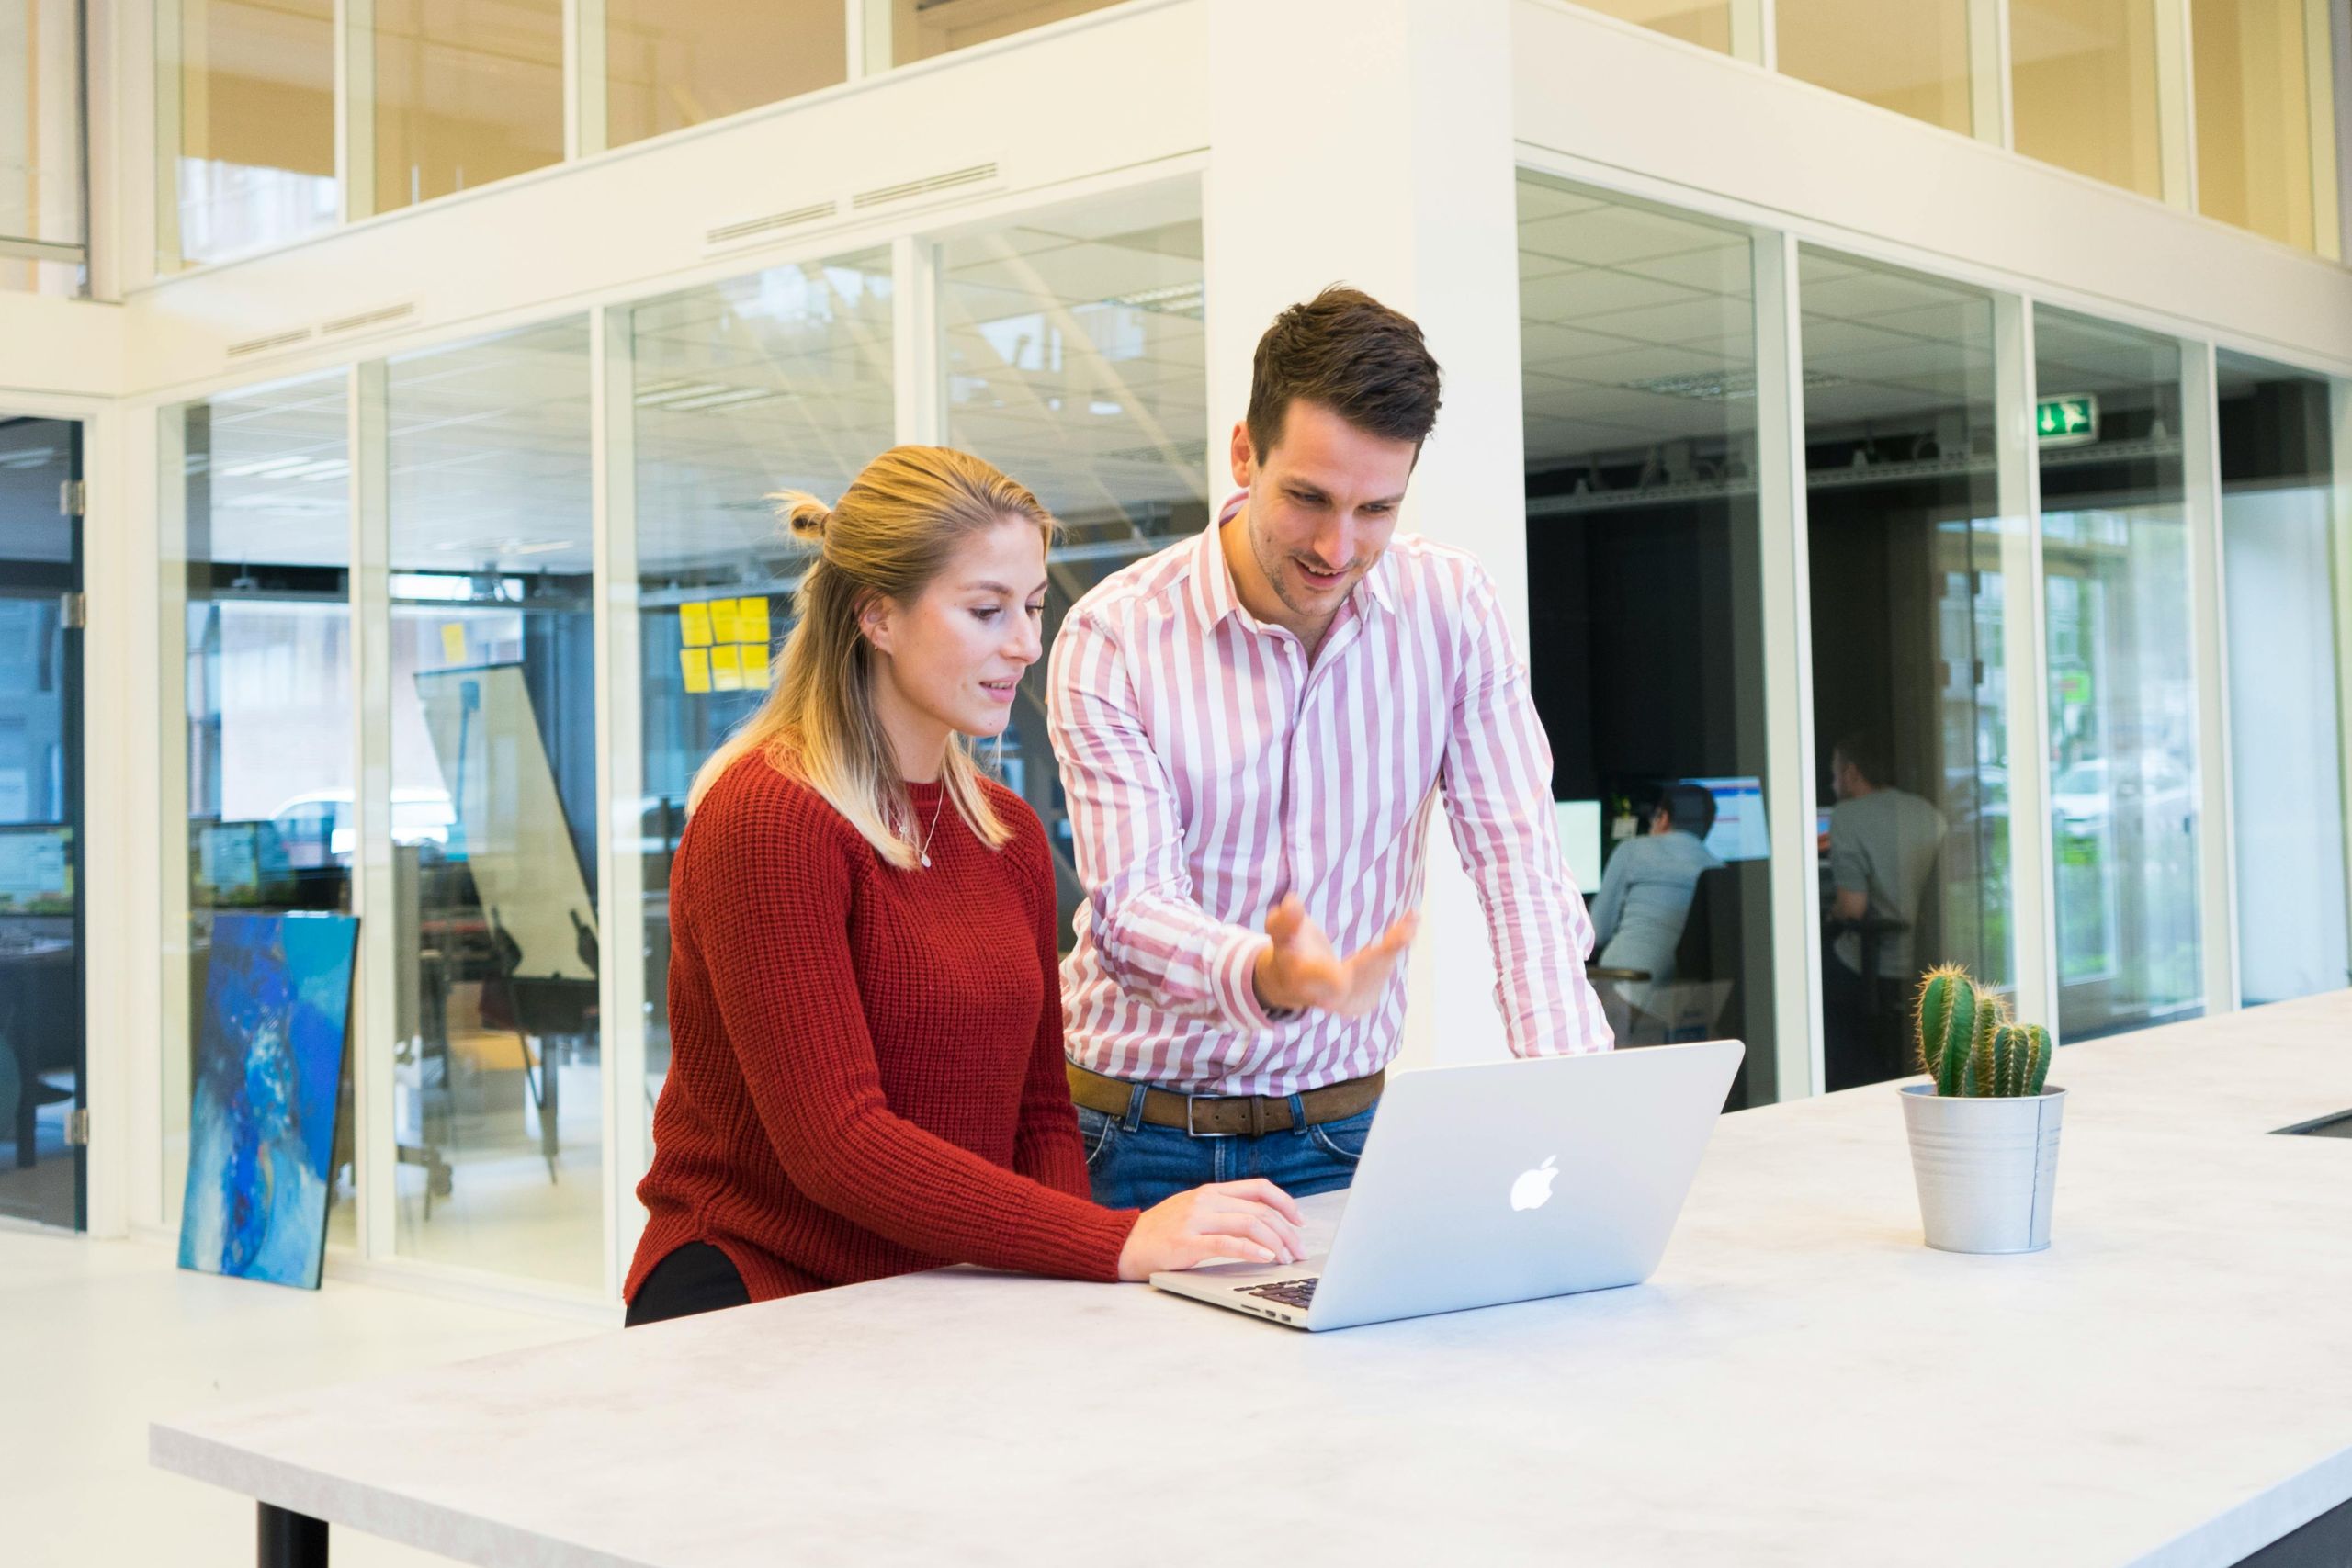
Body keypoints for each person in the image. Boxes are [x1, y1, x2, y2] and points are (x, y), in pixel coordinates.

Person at [624, 446, 1306, 1326]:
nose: (1025, 644)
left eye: (1031, 607)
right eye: (987, 611)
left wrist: (1075, 1282)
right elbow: (837, 1144)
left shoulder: (1007, 834)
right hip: (760, 1294)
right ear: (876, 614)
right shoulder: (768, 817)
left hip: (940, 1290)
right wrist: (1112, 1241)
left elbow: (1041, 1116)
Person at [1048, 287, 1611, 1213]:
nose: (1335, 546)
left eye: (1375, 509)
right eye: (1306, 498)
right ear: (1244, 454)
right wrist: (1263, 974)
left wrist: (1578, 1102)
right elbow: (1131, 911)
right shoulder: (1115, 636)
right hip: (1126, 1139)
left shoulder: (1450, 610)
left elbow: (1520, 866)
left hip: (1340, 1133)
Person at [1821, 730, 1947, 1090]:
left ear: (1851, 774)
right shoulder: (1927, 811)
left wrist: (1829, 916)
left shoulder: (1847, 815)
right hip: (1926, 961)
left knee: (1813, 974)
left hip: (1878, 965)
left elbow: (1853, 908)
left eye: (1834, 773)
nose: (1832, 782)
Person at [1587, 784, 1724, 1032]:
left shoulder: (1633, 851)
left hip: (1624, 988)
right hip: (1686, 1001)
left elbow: (1597, 932)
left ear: (1663, 817)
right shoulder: (1716, 868)